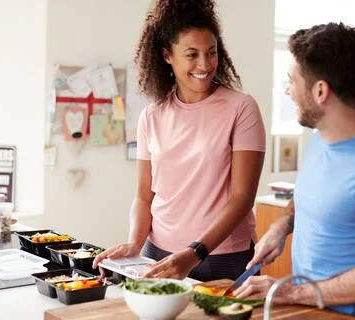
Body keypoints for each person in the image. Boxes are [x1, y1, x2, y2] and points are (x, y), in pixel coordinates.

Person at [234, 23, 355, 320]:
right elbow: (310, 196)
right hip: (306, 313)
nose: (287, 90)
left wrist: (289, 292)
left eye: (292, 81)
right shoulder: (320, 140)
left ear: (321, 91)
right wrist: (282, 226)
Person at [92, 0, 265, 282]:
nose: (204, 64)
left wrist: (194, 252)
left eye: (211, 53)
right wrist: (134, 244)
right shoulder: (152, 115)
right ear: (167, 55)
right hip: (156, 254)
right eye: (192, 54)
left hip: (221, 258)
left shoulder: (241, 108)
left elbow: (242, 198)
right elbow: (144, 195)